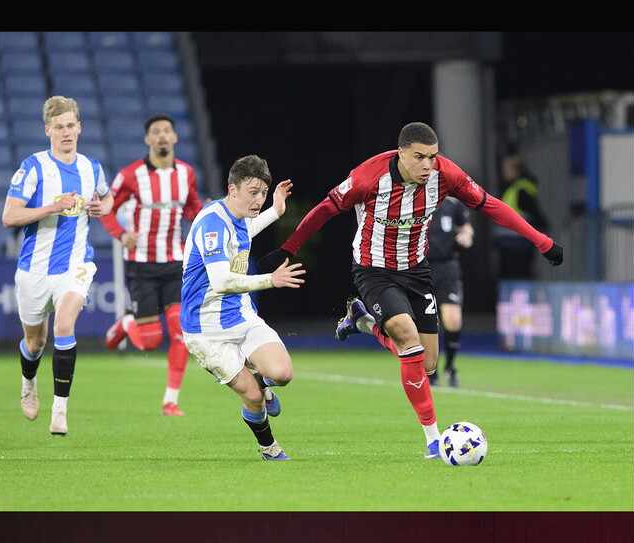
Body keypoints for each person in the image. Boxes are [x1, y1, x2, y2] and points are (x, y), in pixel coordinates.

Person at [259, 122, 563, 459]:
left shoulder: (447, 174)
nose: (427, 165)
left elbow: (491, 205)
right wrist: (289, 248)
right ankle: (433, 440)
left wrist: (542, 241)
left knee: (428, 363)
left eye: (432, 157)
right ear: (401, 152)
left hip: (417, 271)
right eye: (419, 157)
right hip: (373, 270)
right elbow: (325, 210)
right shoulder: (367, 178)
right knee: (407, 338)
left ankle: (364, 322)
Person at [2, 95, 114, 436]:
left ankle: (60, 411)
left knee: (65, 324)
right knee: (35, 343)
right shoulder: (33, 167)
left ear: (79, 127)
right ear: (48, 130)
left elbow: (106, 196)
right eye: (59, 127)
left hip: (75, 265)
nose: (66, 133)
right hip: (34, 269)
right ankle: (28, 382)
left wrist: (104, 207)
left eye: (71, 126)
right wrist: (50, 207)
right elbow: (9, 216)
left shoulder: (91, 167)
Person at [180, 155, 304, 460]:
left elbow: (247, 230)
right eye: (253, 193)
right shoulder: (213, 225)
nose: (258, 200)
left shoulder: (238, 217)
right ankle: (269, 448)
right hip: (205, 329)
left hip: (241, 316)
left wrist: (275, 210)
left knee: (283, 373)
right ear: (232, 189)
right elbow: (221, 282)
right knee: (252, 398)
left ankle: (263, 382)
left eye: (263, 193)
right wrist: (270, 280)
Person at [100, 113, 205, 417]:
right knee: (149, 342)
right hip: (141, 266)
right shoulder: (131, 175)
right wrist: (121, 234)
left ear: (174, 138)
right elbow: (107, 208)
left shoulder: (186, 173)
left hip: (174, 262)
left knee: (180, 332)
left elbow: (192, 209)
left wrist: (208, 213)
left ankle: (170, 401)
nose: (162, 136)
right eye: (156, 132)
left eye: (167, 131)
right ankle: (127, 323)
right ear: (147, 139)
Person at [426, 196, 474, 388]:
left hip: (448, 267)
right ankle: (431, 370)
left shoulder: (452, 204)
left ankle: (450, 366)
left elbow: (466, 227)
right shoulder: (413, 199)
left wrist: (467, 236)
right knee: (429, 322)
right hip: (422, 268)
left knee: (453, 320)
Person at [493, 153, 550, 279]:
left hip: (519, 245)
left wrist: (543, 227)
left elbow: (534, 212)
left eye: (506, 168)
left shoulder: (521, 190)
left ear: (515, 170)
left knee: (518, 278)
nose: (503, 172)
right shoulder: (511, 189)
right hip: (509, 244)